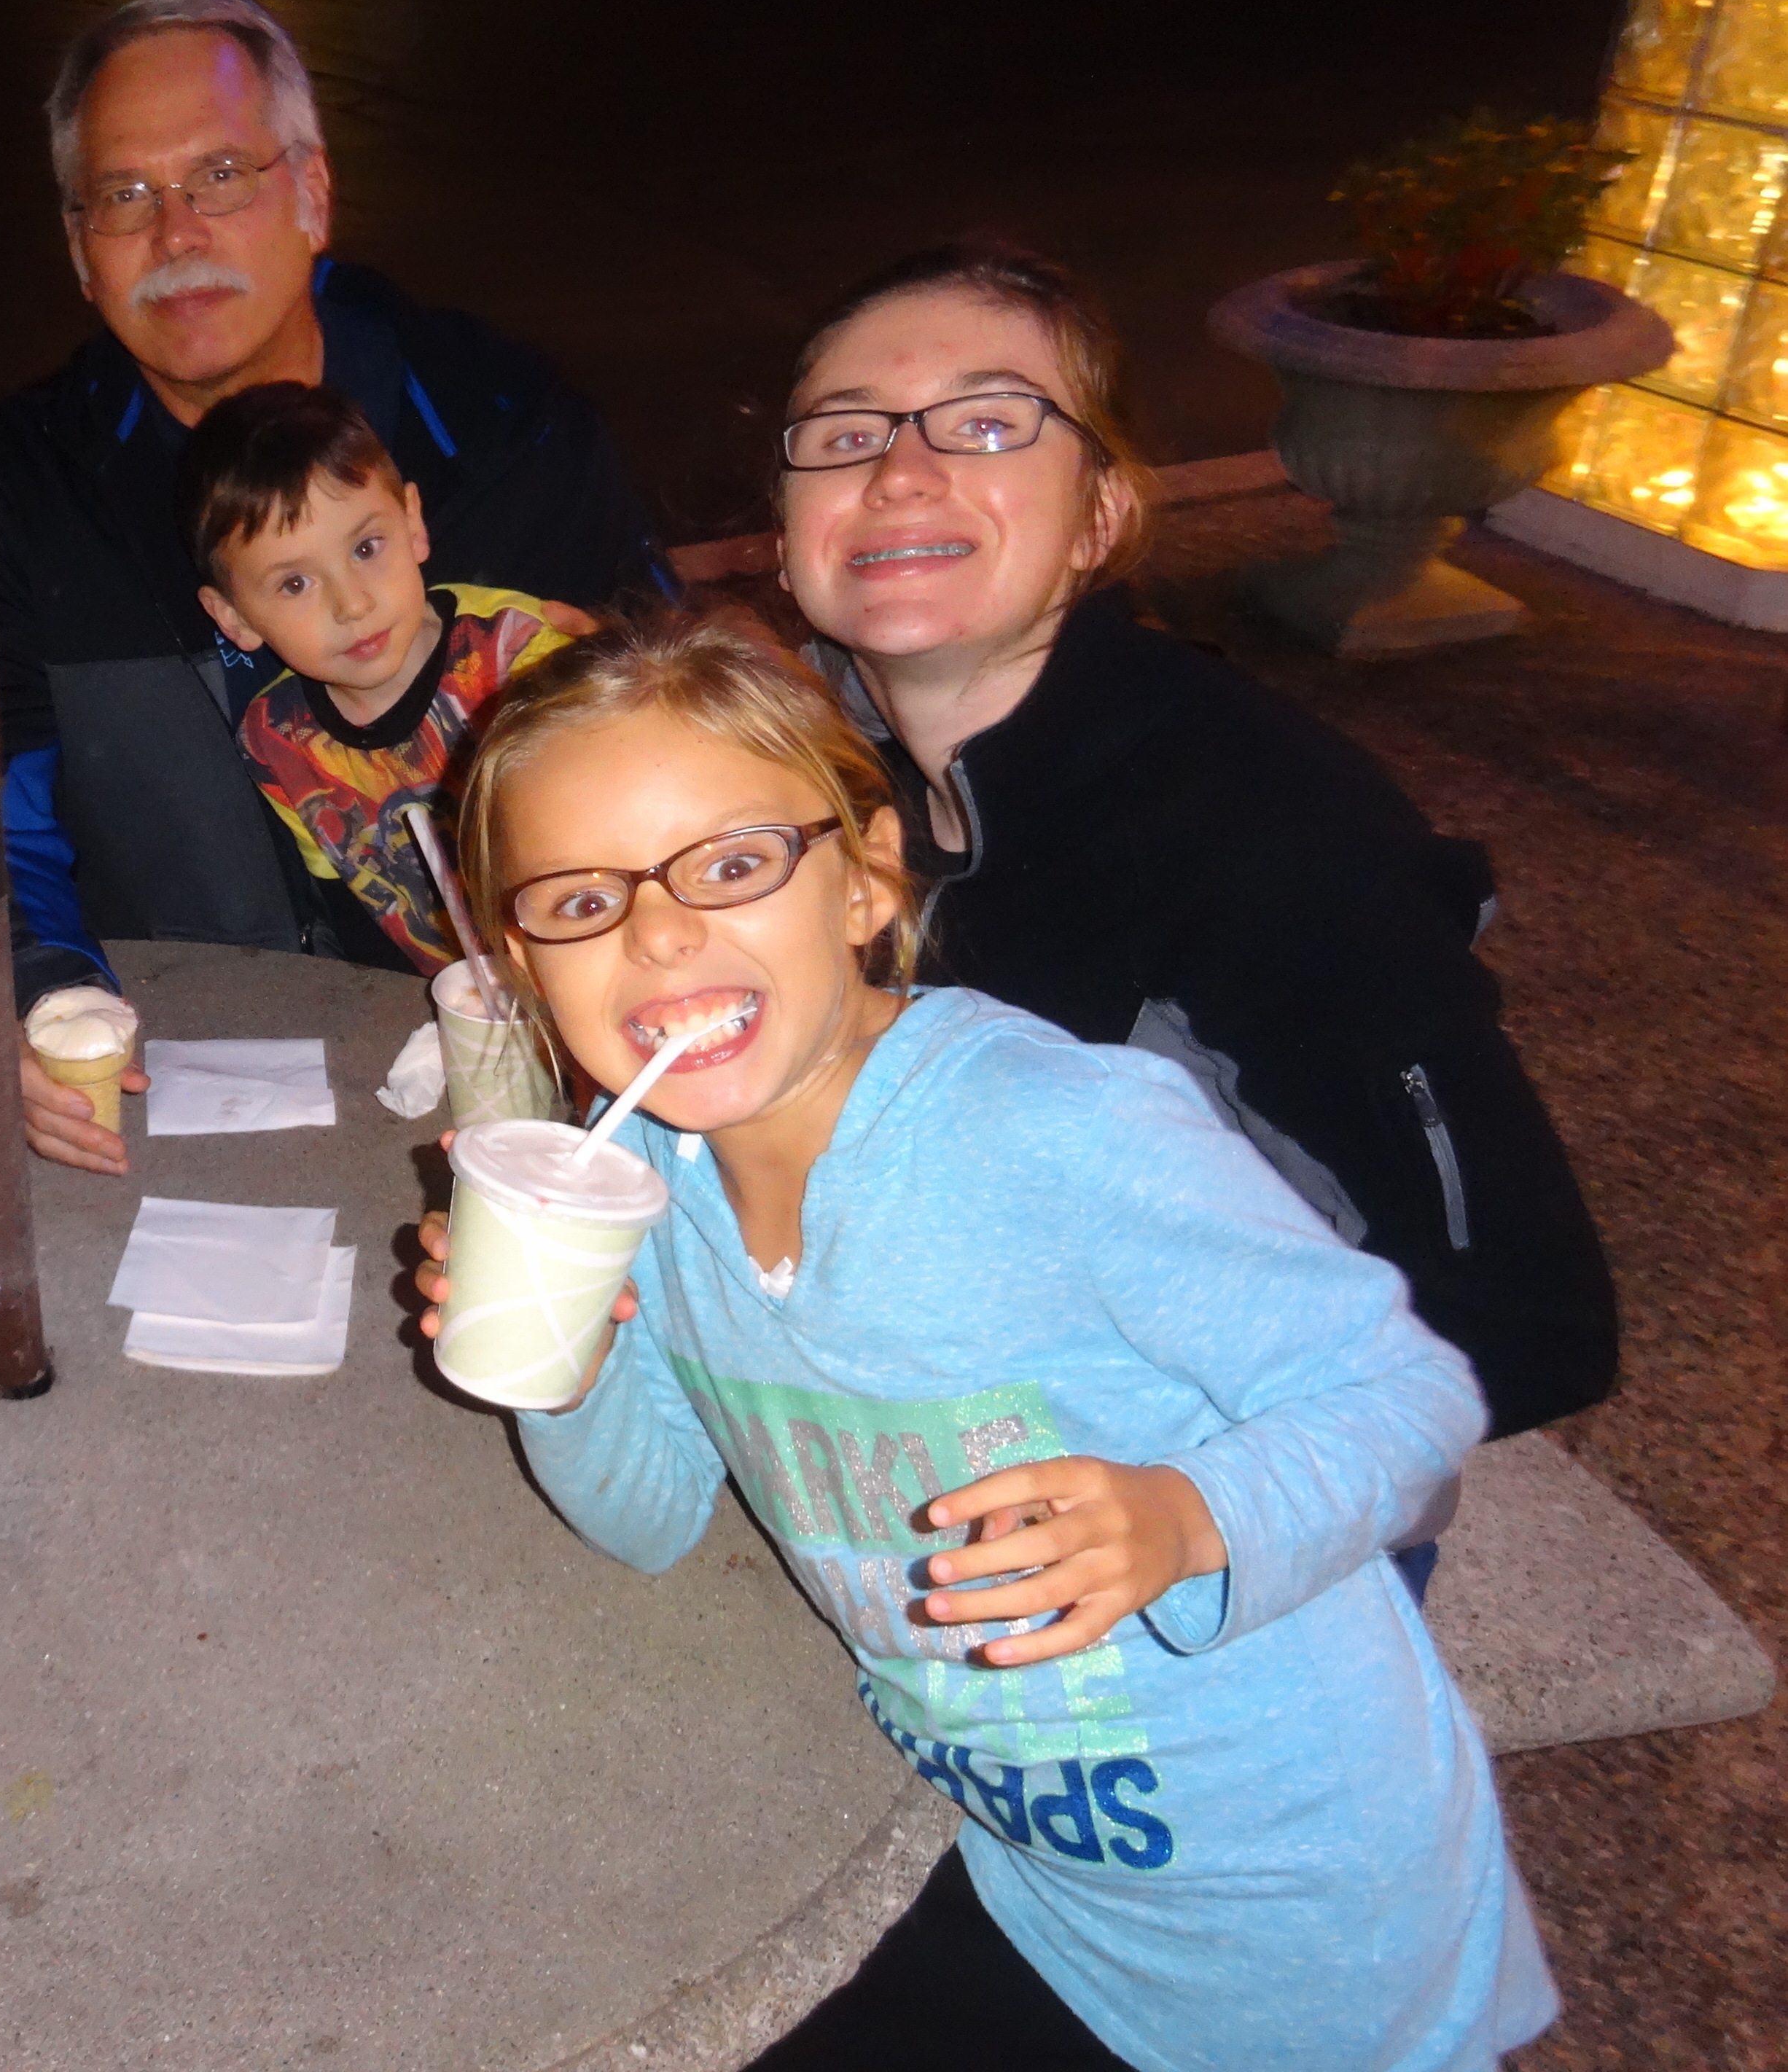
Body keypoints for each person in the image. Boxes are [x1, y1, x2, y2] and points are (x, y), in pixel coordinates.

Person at [415, 612, 1553, 2072]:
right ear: (522, 957)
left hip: (1306, 1910)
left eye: (732, 864)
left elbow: (1412, 1396)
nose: (659, 932)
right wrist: (562, 1359)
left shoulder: (1054, 1131)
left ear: (864, 875)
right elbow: (647, 1520)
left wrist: (1184, 1516)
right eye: (580, 900)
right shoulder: (643, 1181)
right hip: (1027, 1868)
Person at [769, 243, 1617, 1580]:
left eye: (987, 424)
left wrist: (1192, 1510)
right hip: (950, 1388)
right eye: (846, 434)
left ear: (1099, 516)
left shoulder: (1258, 830)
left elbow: (1528, 1321)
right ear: (785, 533)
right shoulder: (805, 772)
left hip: (1233, 1505)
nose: (900, 471)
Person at [0, 0, 666, 1172]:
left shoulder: (501, 428)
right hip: (174, 1063)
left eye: (220, 176)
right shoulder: (24, 483)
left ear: (311, 193)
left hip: (526, 1069)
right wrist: (42, 990)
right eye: (124, 196)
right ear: (79, 251)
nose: (175, 234)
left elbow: (679, 748)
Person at [182, 380, 586, 971]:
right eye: (295, 583)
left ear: (412, 522)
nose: (353, 605)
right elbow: (355, 912)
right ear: (233, 617)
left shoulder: (521, 656)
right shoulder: (276, 742)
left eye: (367, 548)